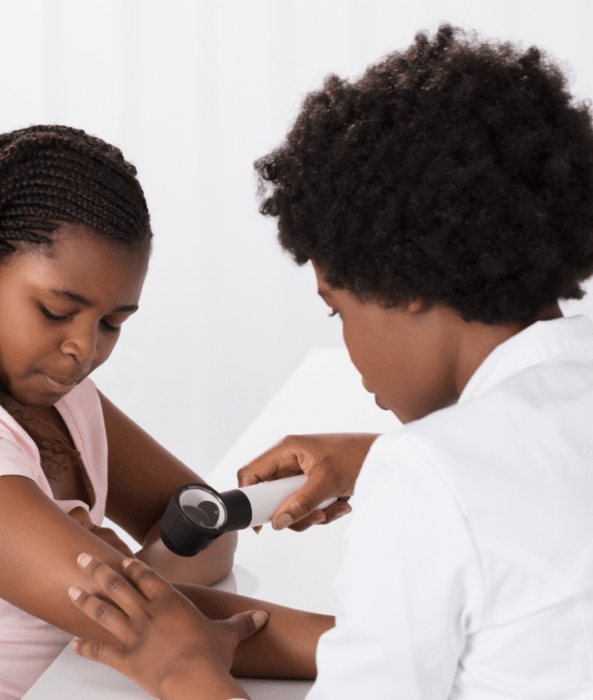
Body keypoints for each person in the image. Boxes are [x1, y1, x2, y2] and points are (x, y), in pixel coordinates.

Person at [66, 25, 593, 700]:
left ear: (400, 286)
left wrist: (183, 669)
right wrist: (378, 455)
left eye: (336, 309)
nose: (348, 346)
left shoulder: (429, 479)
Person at [0, 125, 342, 700]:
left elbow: (204, 532)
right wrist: (144, 596)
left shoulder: (60, 394)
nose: (86, 348)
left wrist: (142, 580)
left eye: (112, 324)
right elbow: (149, 623)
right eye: (57, 310)